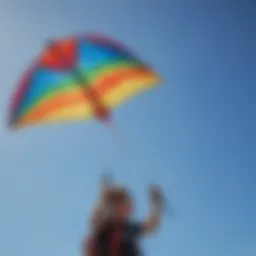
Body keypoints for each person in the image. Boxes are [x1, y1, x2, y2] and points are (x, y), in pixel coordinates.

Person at [83, 175, 164, 256]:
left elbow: (150, 225)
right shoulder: (103, 225)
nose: (129, 208)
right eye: (125, 204)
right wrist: (105, 196)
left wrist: (156, 204)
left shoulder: (127, 228)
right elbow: (95, 220)